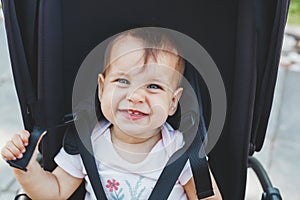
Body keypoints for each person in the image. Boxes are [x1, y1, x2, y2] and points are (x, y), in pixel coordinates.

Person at [1, 29, 222, 200]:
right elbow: (55, 192)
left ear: (173, 102)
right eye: (123, 81)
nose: (135, 97)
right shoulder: (87, 141)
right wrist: (26, 168)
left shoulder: (182, 151)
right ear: (102, 88)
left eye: (153, 86)